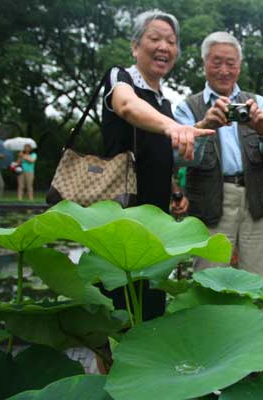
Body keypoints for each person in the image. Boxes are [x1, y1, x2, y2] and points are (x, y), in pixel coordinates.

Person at [101, 10, 213, 320]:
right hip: (120, 214)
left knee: (151, 303)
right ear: (135, 46)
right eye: (155, 38)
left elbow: (158, 157)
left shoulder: (163, 101)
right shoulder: (120, 78)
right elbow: (127, 105)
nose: (164, 46)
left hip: (156, 217)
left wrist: (176, 192)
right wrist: (172, 127)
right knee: (117, 309)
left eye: (171, 41)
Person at [174, 31, 263, 287]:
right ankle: (213, 326)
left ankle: (256, 325)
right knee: (210, 278)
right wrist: (203, 126)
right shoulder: (187, 107)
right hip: (210, 199)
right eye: (216, 62)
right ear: (204, 64)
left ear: (239, 66)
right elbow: (179, 158)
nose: (224, 70)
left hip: (255, 198)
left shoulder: (257, 102)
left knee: (259, 280)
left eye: (231, 63)